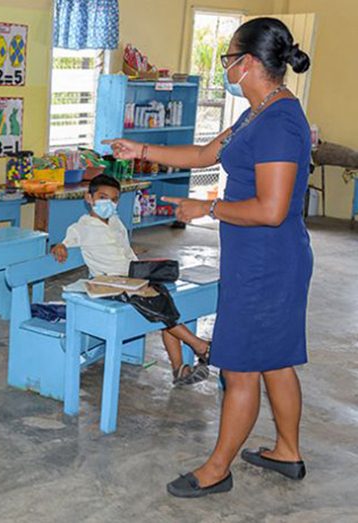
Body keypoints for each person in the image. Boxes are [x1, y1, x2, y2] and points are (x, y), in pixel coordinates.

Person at [105, 17, 313, 498]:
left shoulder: (280, 122)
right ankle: (287, 451)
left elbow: (272, 209)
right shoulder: (257, 113)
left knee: (239, 367)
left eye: (228, 59)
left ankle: (216, 469)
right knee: (277, 360)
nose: (225, 69)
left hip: (268, 263)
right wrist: (140, 147)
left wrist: (208, 208)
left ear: (249, 63)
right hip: (261, 260)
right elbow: (203, 155)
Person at [51, 174, 211, 385]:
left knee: (164, 298)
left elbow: (126, 252)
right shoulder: (82, 227)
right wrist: (59, 246)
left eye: (114, 199)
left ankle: (179, 368)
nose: (109, 203)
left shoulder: (116, 222)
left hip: (131, 279)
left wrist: (143, 271)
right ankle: (200, 347)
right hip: (107, 284)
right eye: (102, 197)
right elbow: (63, 244)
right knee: (157, 305)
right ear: (89, 199)